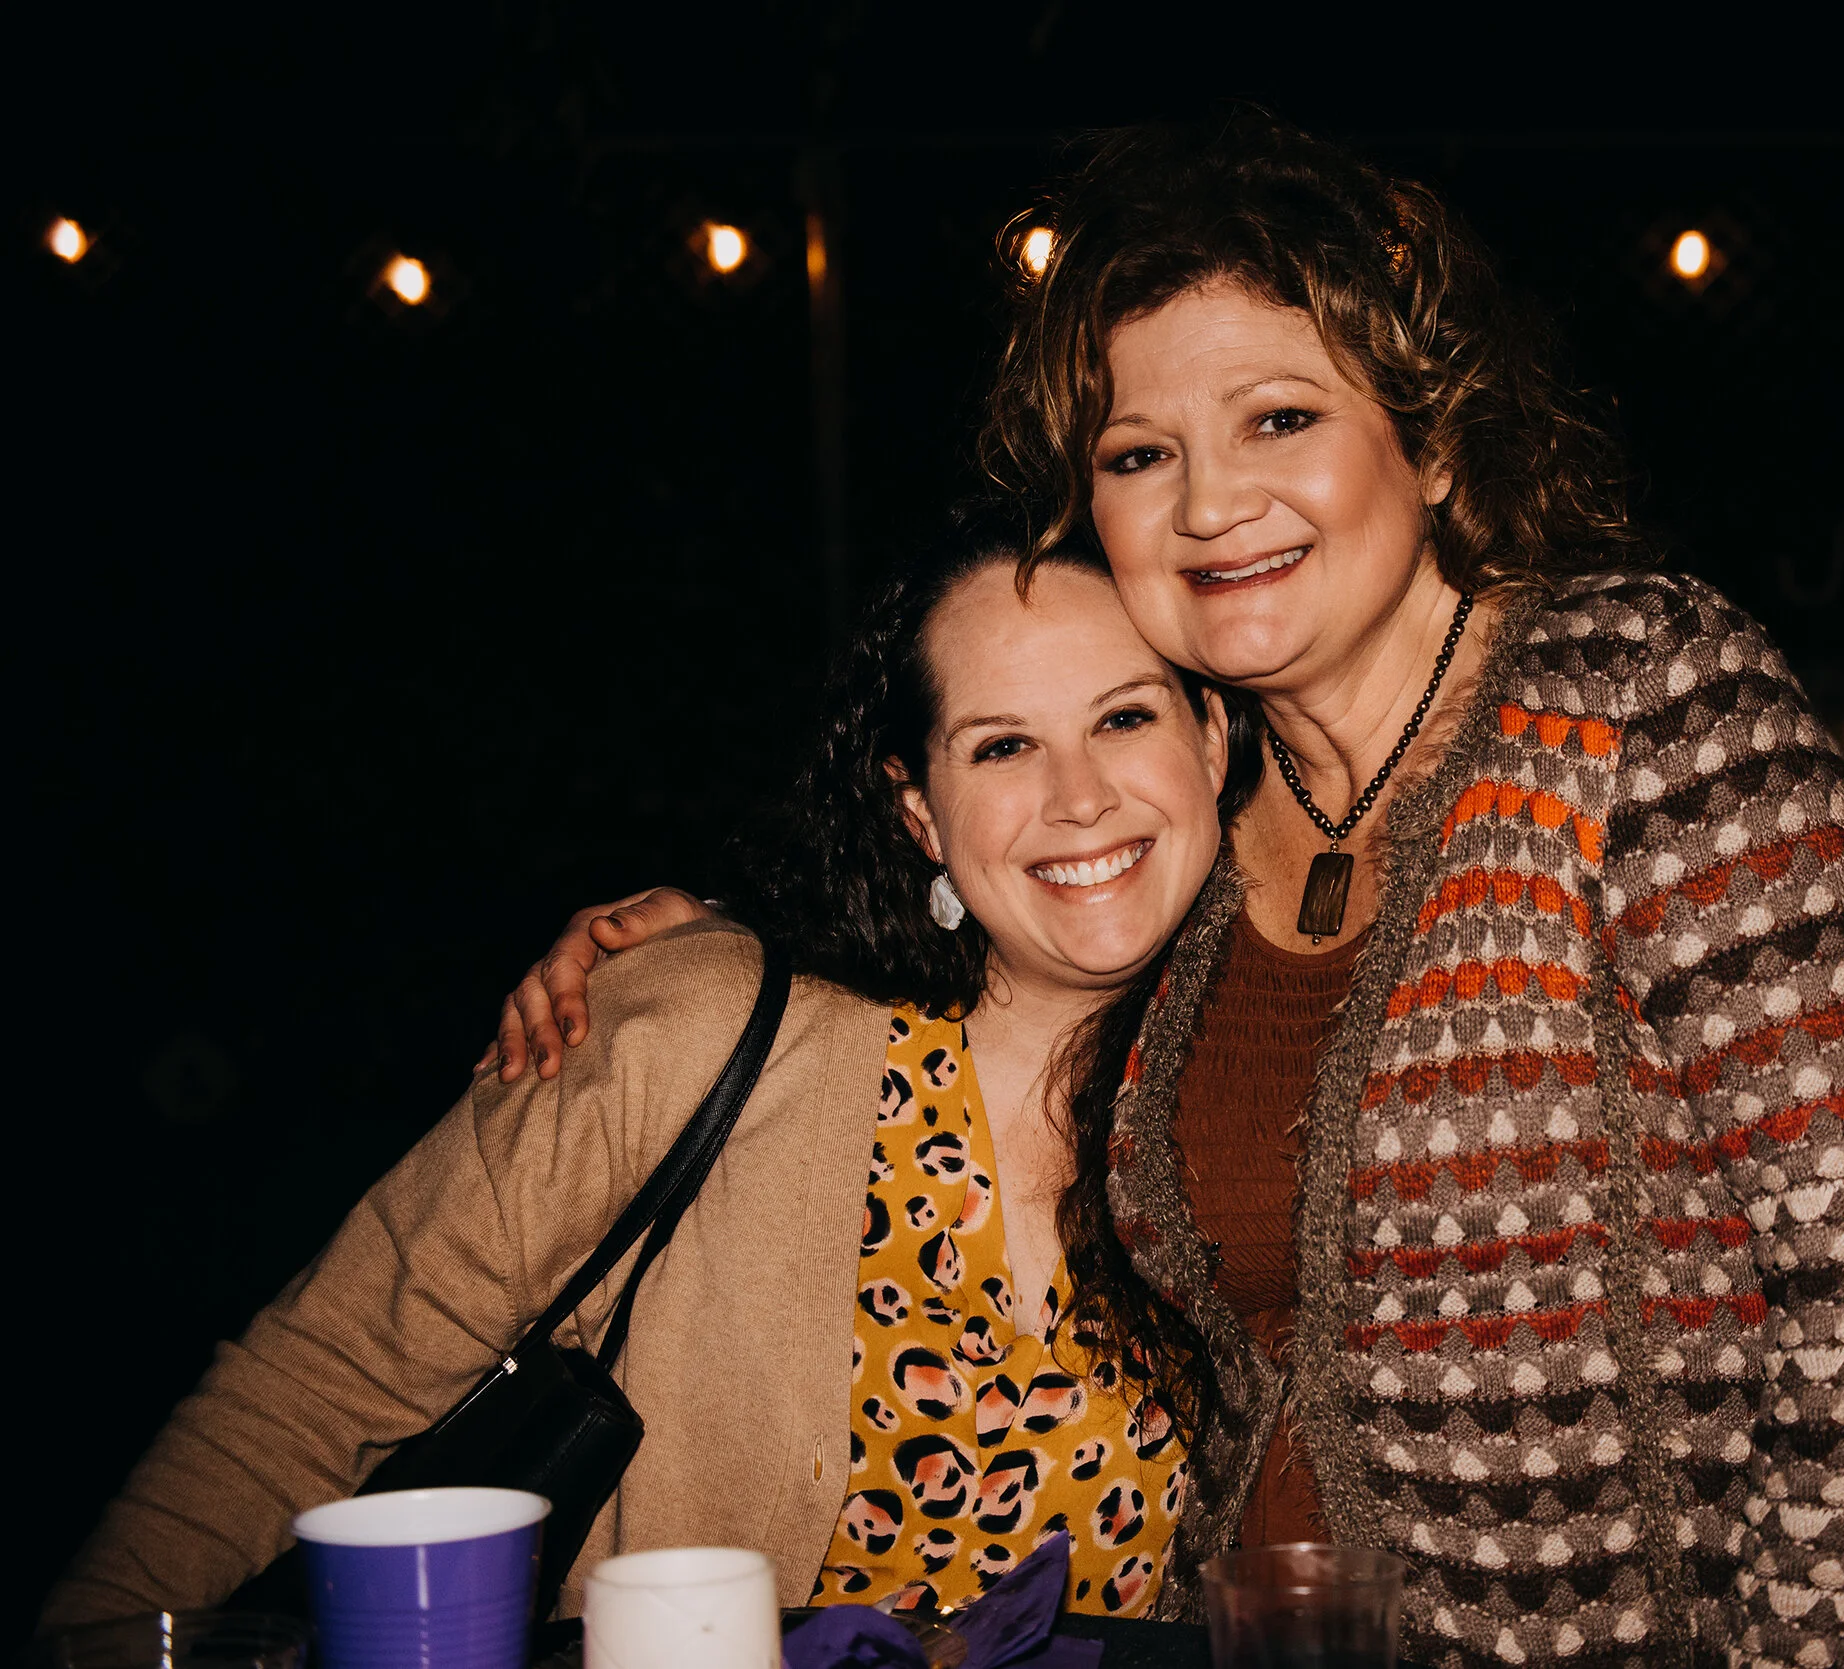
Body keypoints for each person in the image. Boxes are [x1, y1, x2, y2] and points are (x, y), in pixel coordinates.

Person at [495, 113, 1844, 1668]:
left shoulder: (1644, 700)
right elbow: (985, 933)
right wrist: (707, 953)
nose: (1210, 503)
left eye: (1279, 419)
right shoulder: (1201, 807)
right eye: (1139, 454)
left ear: (1435, 439)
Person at [45, 524, 1247, 1628]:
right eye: (1003, 745)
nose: (1079, 796)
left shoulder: (1263, 1112)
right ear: (921, 812)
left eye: (1123, 718)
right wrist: (96, 1642)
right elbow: (315, 1385)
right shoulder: (702, 1031)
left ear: (1211, 736)